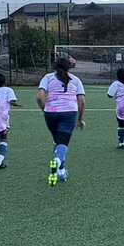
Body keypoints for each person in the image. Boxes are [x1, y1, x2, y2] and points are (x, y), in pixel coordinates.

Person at [36, 56, 86, 185]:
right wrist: (80, 119)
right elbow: (82, 102)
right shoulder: (75, 80)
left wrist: (45, 109)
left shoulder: (48, 77)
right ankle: (57, 162)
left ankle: (61, 171)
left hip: (50, 113)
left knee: (57, 141)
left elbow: (39, 97)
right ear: (69, 67)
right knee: (63, 143)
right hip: (69, 113)